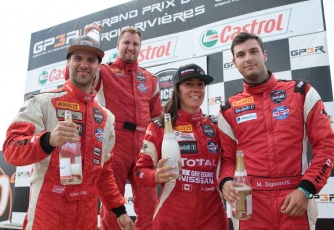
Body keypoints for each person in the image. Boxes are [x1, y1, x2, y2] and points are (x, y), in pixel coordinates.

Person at [2, 35, 134, 230]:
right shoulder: (43, 102)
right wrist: (47, 140)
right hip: (48, 215)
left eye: (91, 60)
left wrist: (119, 210)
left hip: (86, 218)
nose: (84, 64)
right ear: (68, 63)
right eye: (78, 58)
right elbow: (11, 148)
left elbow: (104, 172)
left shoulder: (106, 118)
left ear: (98, 67)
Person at [218, 32, 334, 230]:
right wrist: (226, 182)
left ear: (264, 54)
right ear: (234, 62)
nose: (248, 58)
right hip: (250, 205)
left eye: (253, 51)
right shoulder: (229, 108)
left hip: (294, 202)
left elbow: (326, 144)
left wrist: (306, 189)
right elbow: (227, 160)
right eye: (241, 55)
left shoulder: (301, 92)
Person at [65, 23, 163, 230]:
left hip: (145, 147)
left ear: (140, 47)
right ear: (118, 44)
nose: (131, 47)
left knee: (149, 207)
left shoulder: (150, 79)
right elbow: (73, 76)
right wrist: (86, 41)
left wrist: (159, 149)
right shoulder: (103, 71)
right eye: (126, 42)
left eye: (135, 44)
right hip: (114, 143)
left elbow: (157, 118)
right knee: (112, 203)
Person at [133, 64, 229, 229]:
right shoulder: (160, 126)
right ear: (177, 89)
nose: (196, 89)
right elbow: (139, 173)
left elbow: (230, 161)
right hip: (172, 219)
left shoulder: (216, 125)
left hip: (213, 219)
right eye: (189, 84)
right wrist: (156, 176)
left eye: (200, 84)